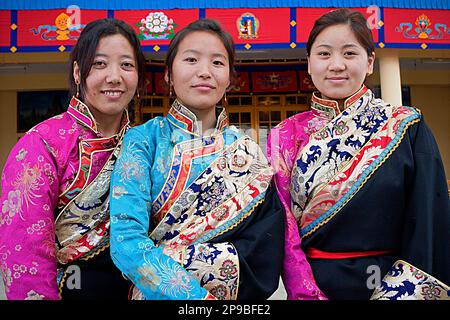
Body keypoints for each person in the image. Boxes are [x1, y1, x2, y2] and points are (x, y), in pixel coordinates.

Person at [267, 8, 450, 300]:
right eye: (324, 54)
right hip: (314, 285)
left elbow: (428, 219)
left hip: (392, 282)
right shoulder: (284, 135)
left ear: (369, 62)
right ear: (309, 63)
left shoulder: (407, 126)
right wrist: (306, 292)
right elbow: (283, 228)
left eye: (349, 53)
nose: (336, 65)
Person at [109, 19, 285, 300]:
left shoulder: (248, 151)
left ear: (229, 77)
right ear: (168, 74)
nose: (204, 72)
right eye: (191, 59)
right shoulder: (144, 140)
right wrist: (196, 299)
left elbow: (264, 248)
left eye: (217, 63)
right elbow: (125, 242)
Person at [0, 18, 146, 300]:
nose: (114, 77)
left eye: (126, 65)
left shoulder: (145, 143)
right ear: (78, 72)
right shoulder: (42, 144)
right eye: (100, 64)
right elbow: (25, 253)